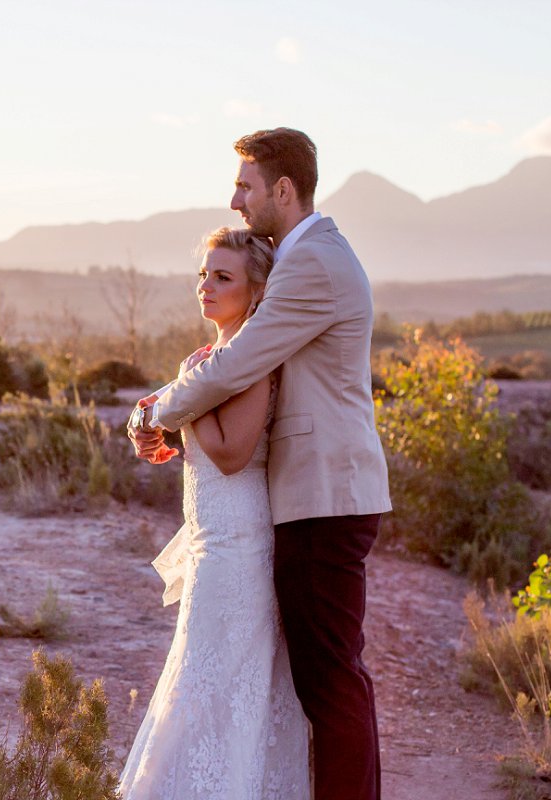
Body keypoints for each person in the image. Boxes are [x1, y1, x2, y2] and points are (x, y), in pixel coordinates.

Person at [131, 127, 392, 800]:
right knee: (322, 679)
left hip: (325, 494)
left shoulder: (313, 262)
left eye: (245, 186)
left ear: (282, 189)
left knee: (331, 681)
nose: (236, 200)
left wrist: (159, 410)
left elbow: (238, 364)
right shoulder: (305, 257)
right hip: (310, 495)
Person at [118, 227, 309, 800]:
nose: (206, 285)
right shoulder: (211, 360)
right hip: (210, 538)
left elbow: (231, 454)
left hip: (238, 546)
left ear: (256, 291)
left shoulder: (251, 357)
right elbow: (198, 438)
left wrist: (182, 399)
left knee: (215, 679)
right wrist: (158, 426)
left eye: (223, 277)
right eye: (204, 274)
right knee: (202, 675)